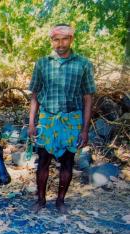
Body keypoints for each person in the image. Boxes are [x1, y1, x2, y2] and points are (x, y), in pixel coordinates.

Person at [28, 24, 96, 214]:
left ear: (71, 39)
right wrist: (32, 123)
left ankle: (60, 201)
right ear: (52, 41)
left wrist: (84, 129)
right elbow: (34, 95)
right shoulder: (43, 63)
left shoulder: (83, 64)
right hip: (47, 119)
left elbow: (88, 97)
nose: (60, 44)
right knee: (43, 161)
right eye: (56, 40)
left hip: (72, 119)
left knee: (67, 161)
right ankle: (41, 200)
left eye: (64, 39)